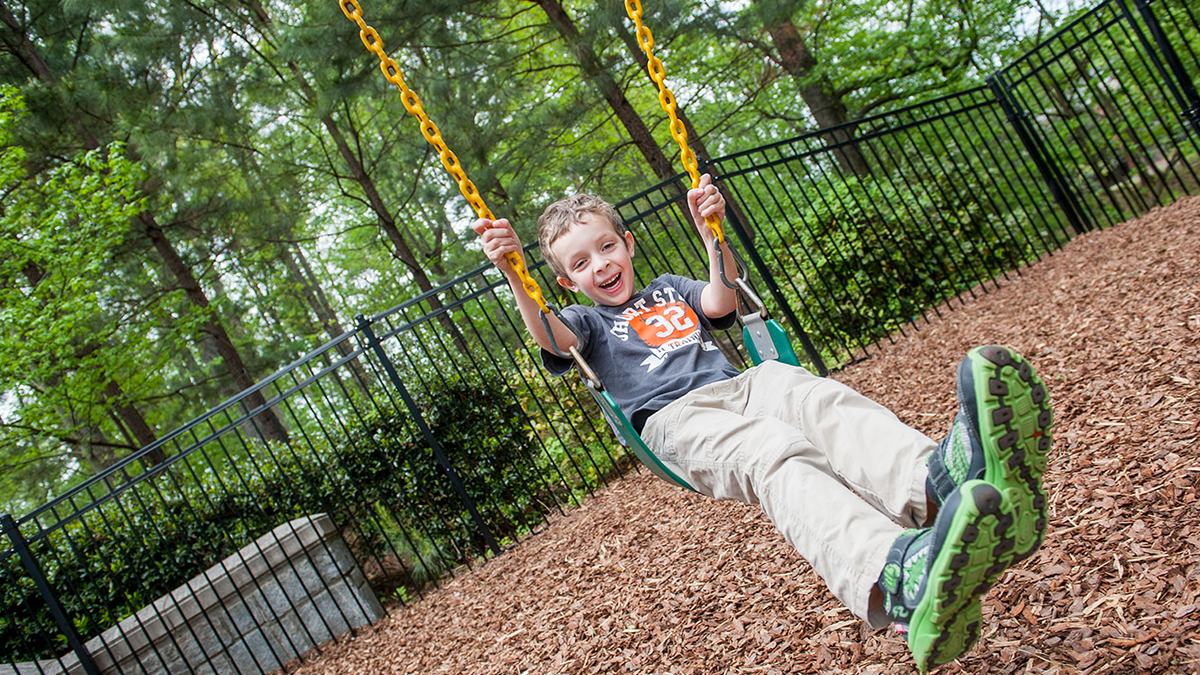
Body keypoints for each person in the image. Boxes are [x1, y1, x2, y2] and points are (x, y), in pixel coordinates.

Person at [471, 174, 1053, 673]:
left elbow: (721, 304)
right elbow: (552, 339)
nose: (601, 265)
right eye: (581, 263)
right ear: (568, 282)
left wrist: (711, 237)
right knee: (770, 451)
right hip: (678, 421)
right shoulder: (587, 324)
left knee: (811, 394)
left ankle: (935, 487)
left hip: (741, 386)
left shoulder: (669, 289)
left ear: (627, 243)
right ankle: (896, 575)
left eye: (606, 248)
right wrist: (515, 280)